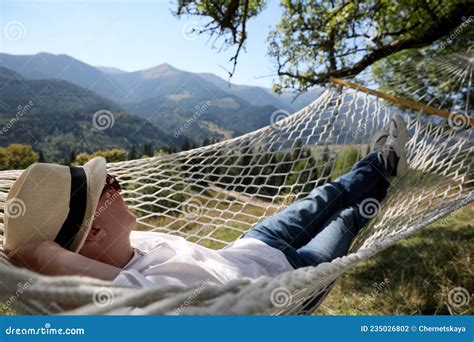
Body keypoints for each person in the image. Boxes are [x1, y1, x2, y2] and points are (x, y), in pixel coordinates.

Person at [4, 115, 407, 289]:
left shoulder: (124, 244)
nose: (119, 184)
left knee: (326, 195)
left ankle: (378, 161)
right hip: (294, 280)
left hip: (252, 245)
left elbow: (69, 249)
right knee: (349, 219)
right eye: (107, 187)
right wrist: (42, 253)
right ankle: (386, 172)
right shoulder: (138, 295)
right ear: (92, 230)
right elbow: (90, 279)